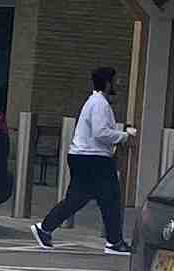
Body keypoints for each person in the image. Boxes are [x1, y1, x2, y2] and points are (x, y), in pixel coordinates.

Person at [35, 60, 128, 252]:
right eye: (115, 81)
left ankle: (44, 228)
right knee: (110, 197)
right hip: (94, 158)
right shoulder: (99, 104)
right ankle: (114, 241)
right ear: (107, 83)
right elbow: (100, 133)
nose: (118, 85)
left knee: (77, 198)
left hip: (82, 156)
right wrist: (124, 136)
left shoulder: (93, 102)